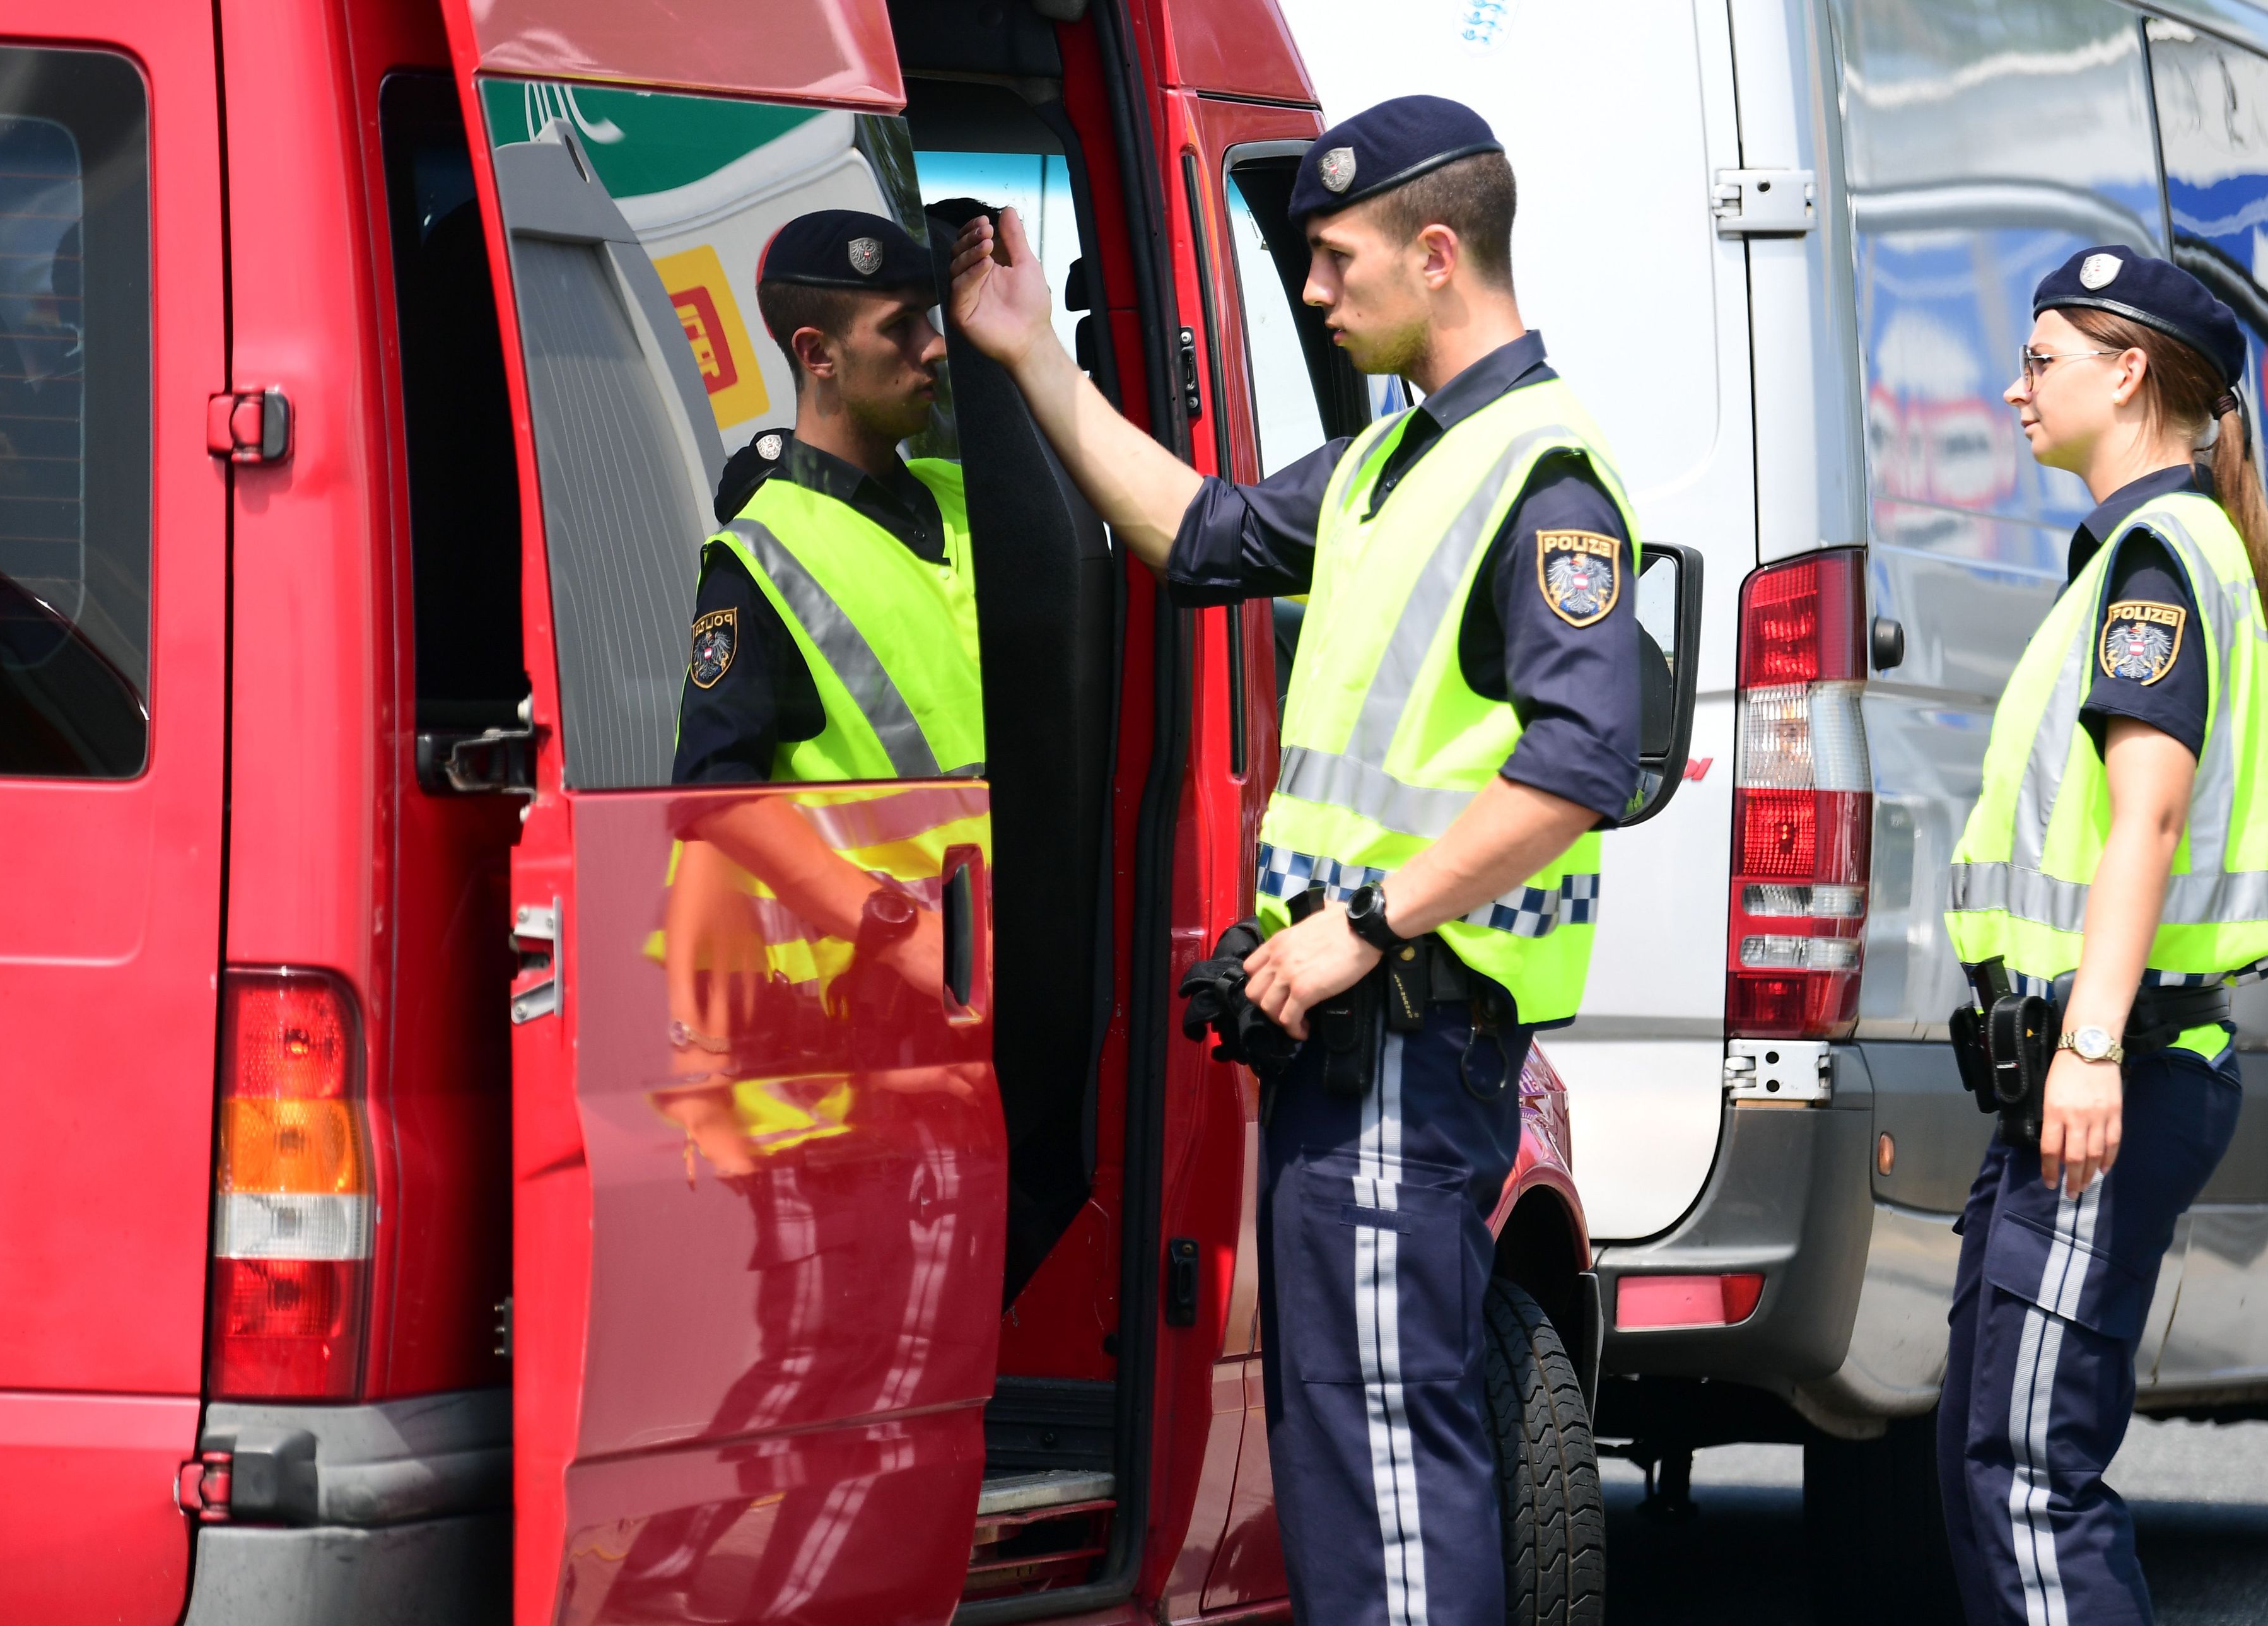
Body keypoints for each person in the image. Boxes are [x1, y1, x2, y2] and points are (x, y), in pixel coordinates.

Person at [949, 95, 1644, 1625]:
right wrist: (1029, 359)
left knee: (1391, 1477)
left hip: (1411, 1041)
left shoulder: (1543, 479)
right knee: (1343, 1459)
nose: (1313, 293)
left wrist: (1363, 928)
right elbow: (1193, 535)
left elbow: (1580, 763)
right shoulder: (1393, 464)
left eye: (1331, 260)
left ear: (1438, 253)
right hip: (1345, 1059)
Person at [1936, 245, 2268, 1625]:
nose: (2014, 388)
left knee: (2028, 1469)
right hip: (2078, 1077)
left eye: (2040, 360)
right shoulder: (2134, 551)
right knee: (1986, 1453)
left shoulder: (2153, 558)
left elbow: (2142, 817)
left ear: (2126, 371)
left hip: (2113, 1068)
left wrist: (2086, 1043)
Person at [672, 207, 982, 788]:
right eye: (903, 324)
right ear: (817, 354)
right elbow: (714, 811)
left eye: (930, 318)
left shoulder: (967, 490)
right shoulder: (758, 559)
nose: (936, 346)